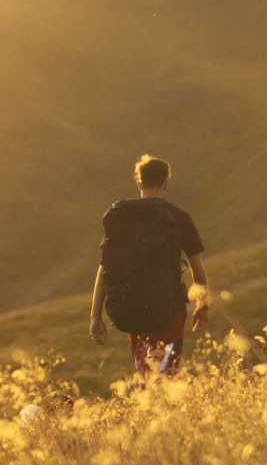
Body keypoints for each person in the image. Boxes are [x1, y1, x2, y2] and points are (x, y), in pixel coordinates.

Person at [89, 155, 209, 380]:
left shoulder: (121, 217)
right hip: (168, 311)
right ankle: (160, 412)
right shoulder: (178, 217)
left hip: (130, 309)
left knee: (145, 374)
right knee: (165, 376)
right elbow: (197, 270)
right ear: (166, 184)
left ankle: (148, 412)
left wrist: (95, 317)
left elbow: (104, 269)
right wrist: (202, 307)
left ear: (139, 184)